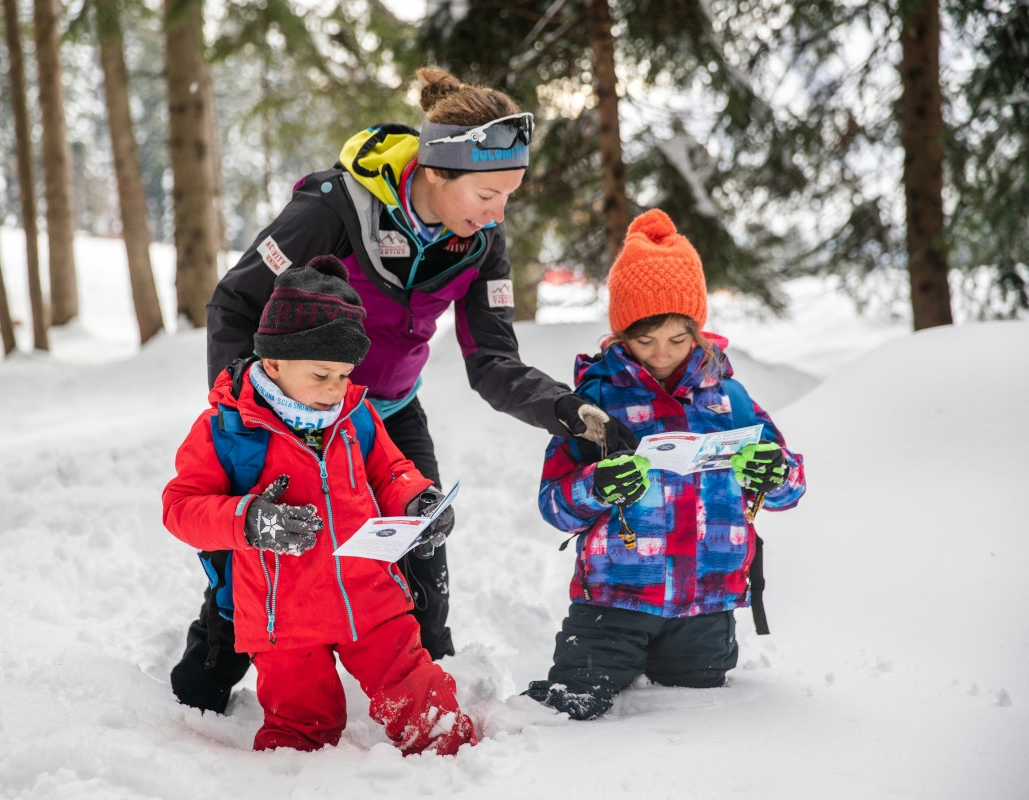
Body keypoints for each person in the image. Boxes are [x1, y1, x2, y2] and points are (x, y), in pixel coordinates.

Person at [171, 66, 627, 713]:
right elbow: (235, 301)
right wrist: (244, 412)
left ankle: (428, 704)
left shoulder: (480, 243)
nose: (498, 214)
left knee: (423, 553)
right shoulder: (333, 208)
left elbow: (493, 361)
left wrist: (567, 408)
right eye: (488, 194)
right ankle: (202, 691)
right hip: (288, 417)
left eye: (508, 196)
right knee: (257, 561)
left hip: (387, 413)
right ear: (437, 172)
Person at [162, 255, 477, 754]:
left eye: (345, 374)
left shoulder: (355, 414)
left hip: (370, 596)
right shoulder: (228, 427)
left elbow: (390, 471)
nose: (336, 390)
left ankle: (456, 763)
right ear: (274, 363)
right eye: (322, 374)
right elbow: (181, 508)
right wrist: (250, 520)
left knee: (420, 694)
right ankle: (298, 779)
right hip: (284, 615)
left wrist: (419, 501)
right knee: (299, 725)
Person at [524, 209, 806, 720]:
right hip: (614, 602)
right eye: (644, 340)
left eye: (678, 339)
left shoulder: (730, 400)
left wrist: (775, 472)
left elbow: (789, 488)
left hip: (706, 606)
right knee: (569, 711)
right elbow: (554, 505)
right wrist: (597, 485)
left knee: (695, 719)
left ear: (698, 331)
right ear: (621, 335)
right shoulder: (595, 402)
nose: (661, 354)